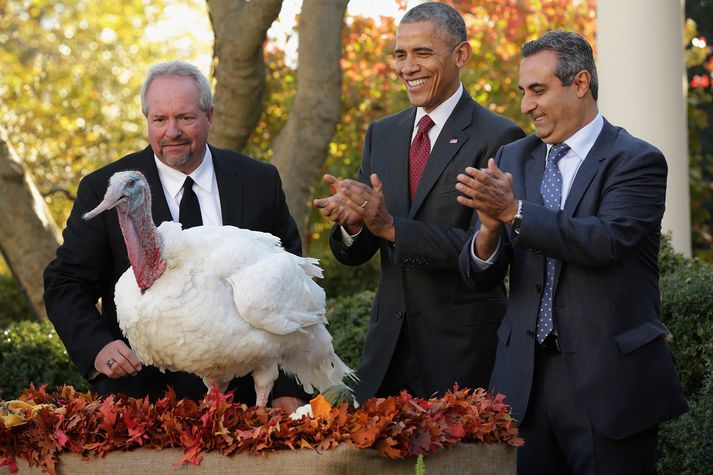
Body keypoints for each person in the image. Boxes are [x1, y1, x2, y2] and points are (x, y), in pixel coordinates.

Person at [457, 30, 688, 473]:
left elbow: (604, 241)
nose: (526, 106)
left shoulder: (636, 159)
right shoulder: (510, 158)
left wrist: (511, 212)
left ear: (580, 83)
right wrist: (487, 230)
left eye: (538, 90)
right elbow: (480, 273)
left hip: (609, 385)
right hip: (522, 383)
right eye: (523, 92)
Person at [44, 61, 308, 411]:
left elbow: (293, 292)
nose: (172, 132)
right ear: (147, 121)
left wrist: (288, 389)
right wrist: (97, 348)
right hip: (143, 405)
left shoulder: (259, 182)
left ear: (209, 115)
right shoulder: (105, 189)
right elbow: (65, 283)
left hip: (248, 407)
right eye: (159, 120)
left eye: (184, 118)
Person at [314, 2, 524, 403]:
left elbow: (486, 255)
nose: (407, 67)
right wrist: (354, 224)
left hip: (462, 355)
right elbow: (360, 247)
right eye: (400, 54)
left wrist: (391, 226)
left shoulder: (499, 136)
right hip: (386, 353)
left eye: (422, 53)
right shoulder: (382, 134)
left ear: (460, 55)